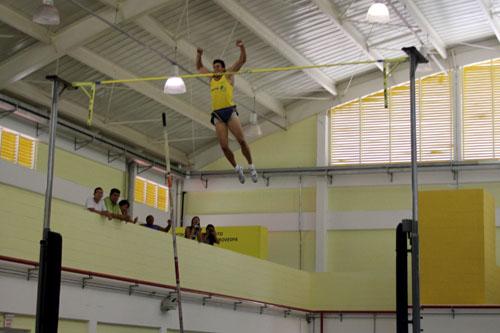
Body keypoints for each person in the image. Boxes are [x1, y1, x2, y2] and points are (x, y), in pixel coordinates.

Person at [196, 40, 258, 184]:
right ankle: (237, 168)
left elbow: (242, 60)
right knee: (224, 146)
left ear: (223, 69)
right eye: (214, 66)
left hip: (229, 111)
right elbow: (199, 67)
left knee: (241, 140)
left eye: (218, 66)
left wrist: (242, 47)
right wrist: (199, 54)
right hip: (217, 114)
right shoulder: (211, 78)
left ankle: (251, 166)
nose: (215, 68)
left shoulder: (228, 75)